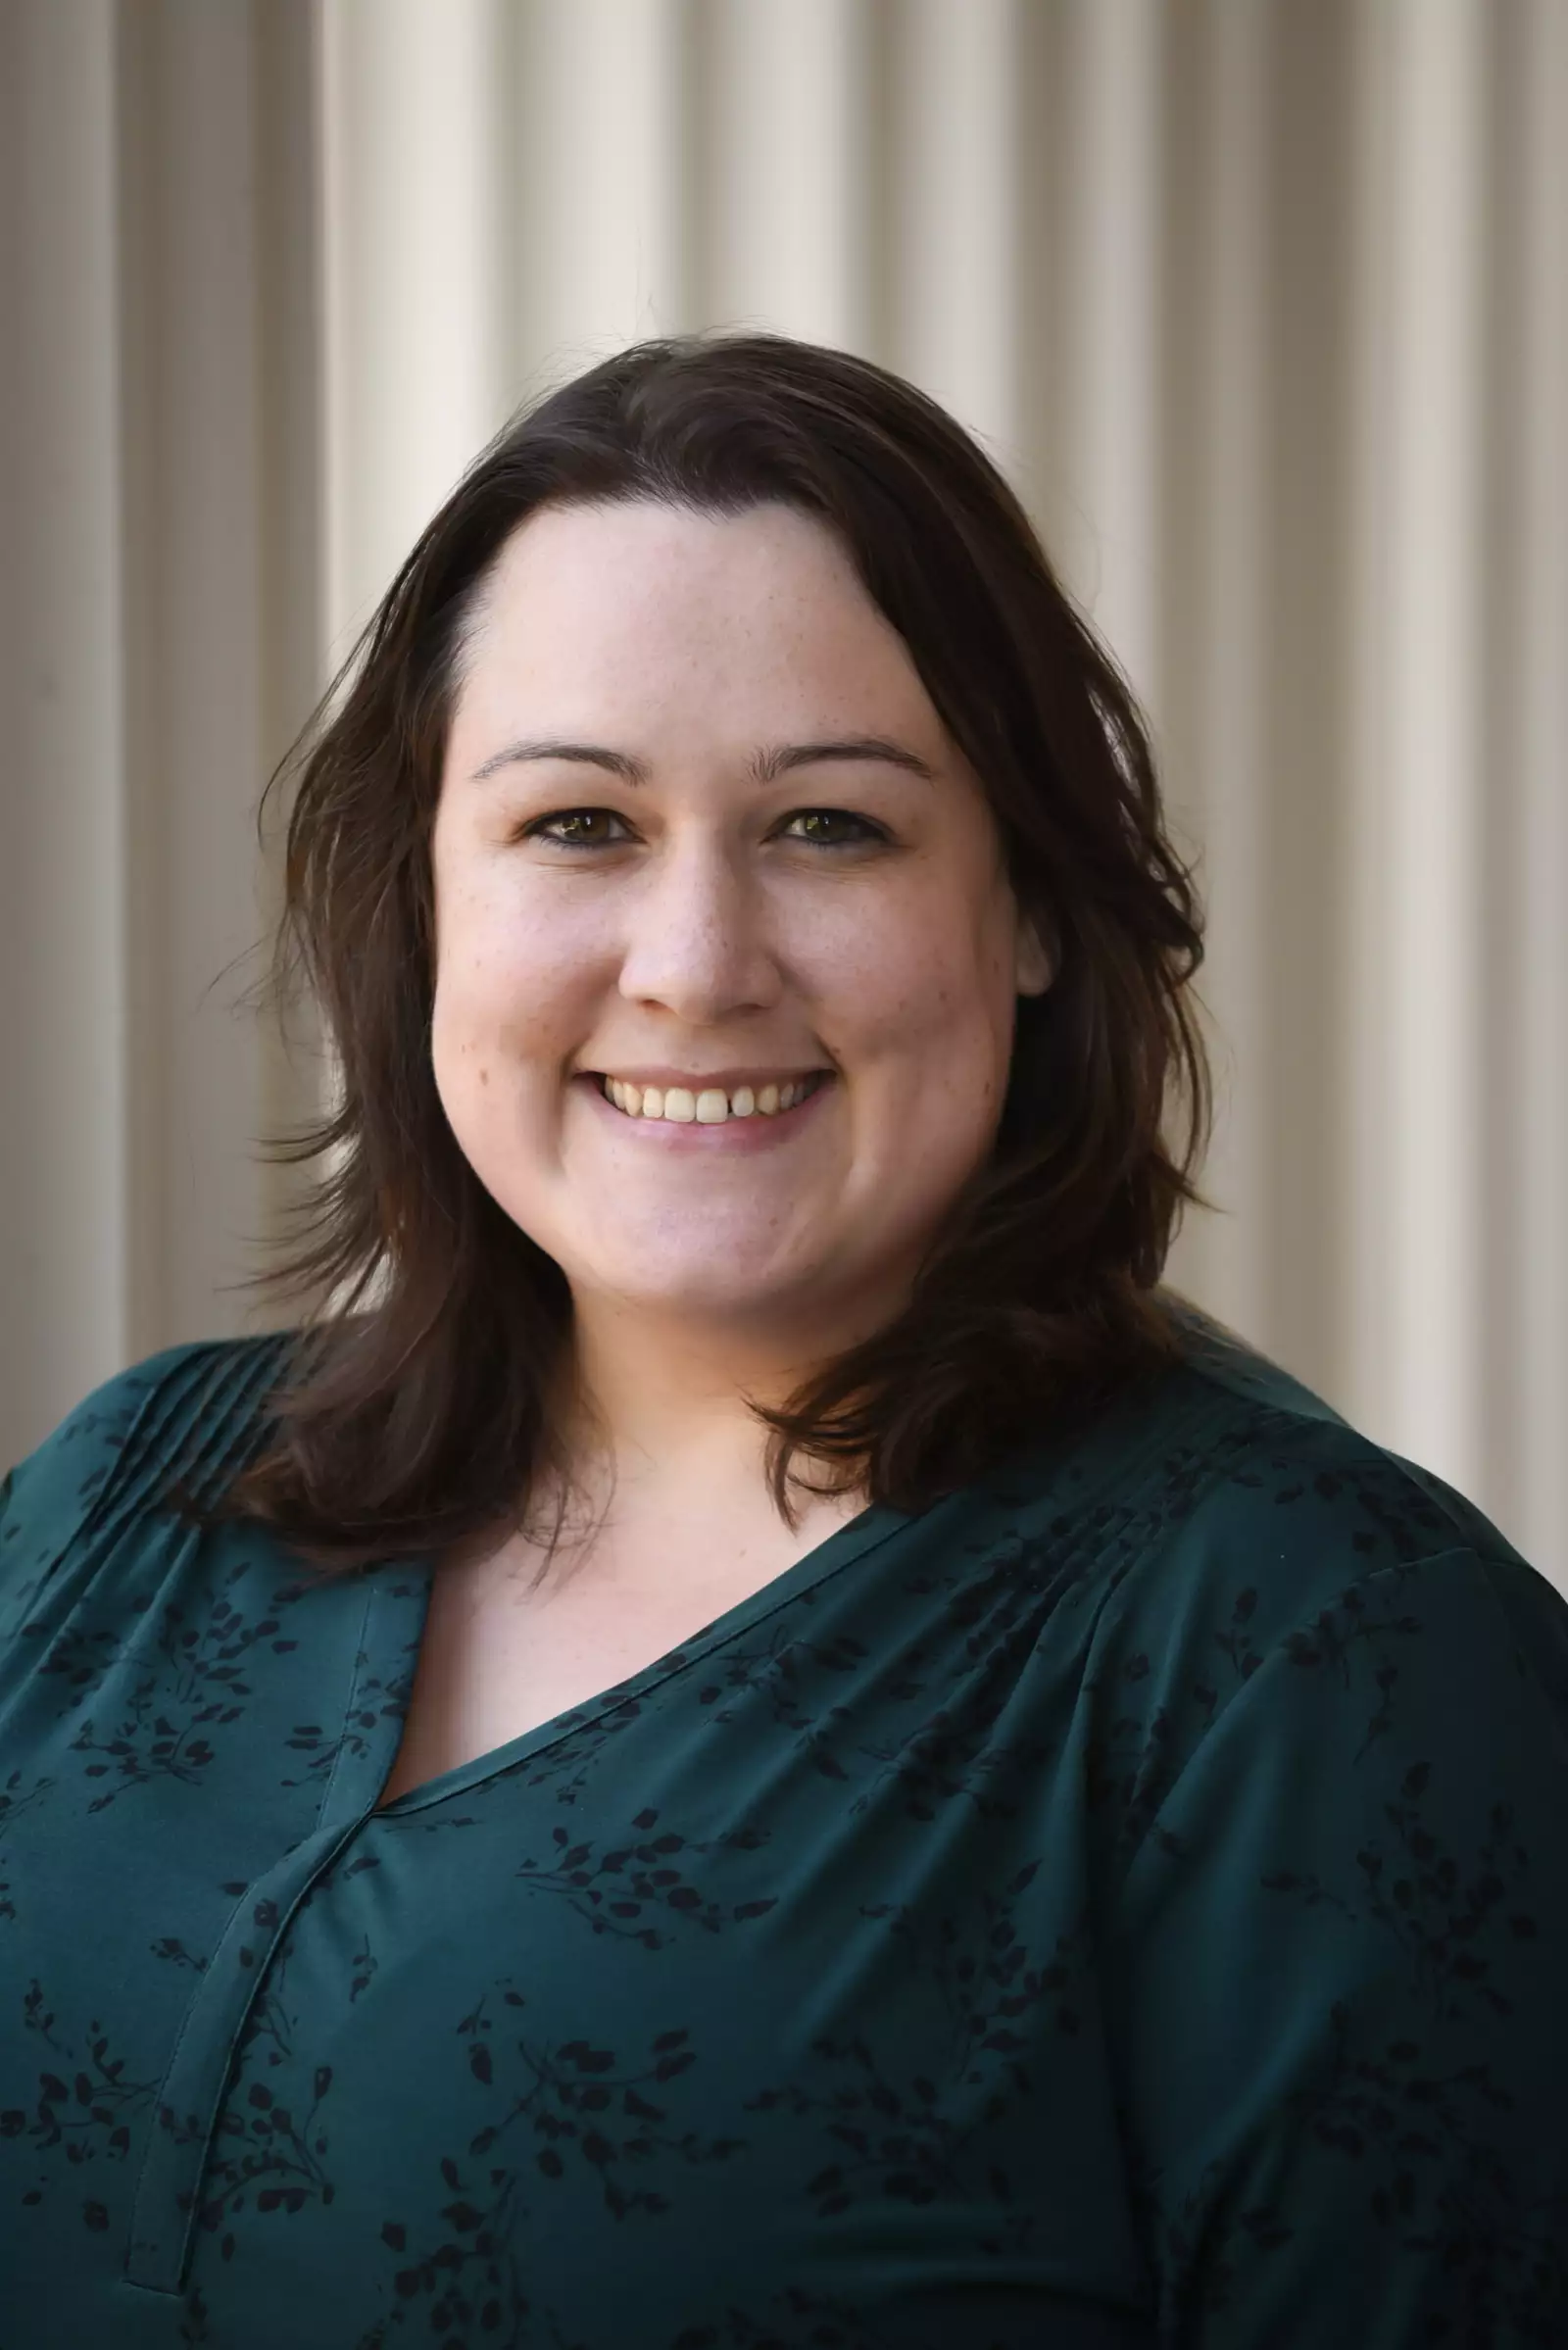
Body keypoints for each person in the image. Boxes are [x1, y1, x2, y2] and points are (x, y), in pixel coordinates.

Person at [1, 330, 1564, 2350]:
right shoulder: (130, 1494)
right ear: (427, 904)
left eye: (829, 826)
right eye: (576, 824)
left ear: (1023, 908)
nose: (692, 962)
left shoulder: (1321, 1655)